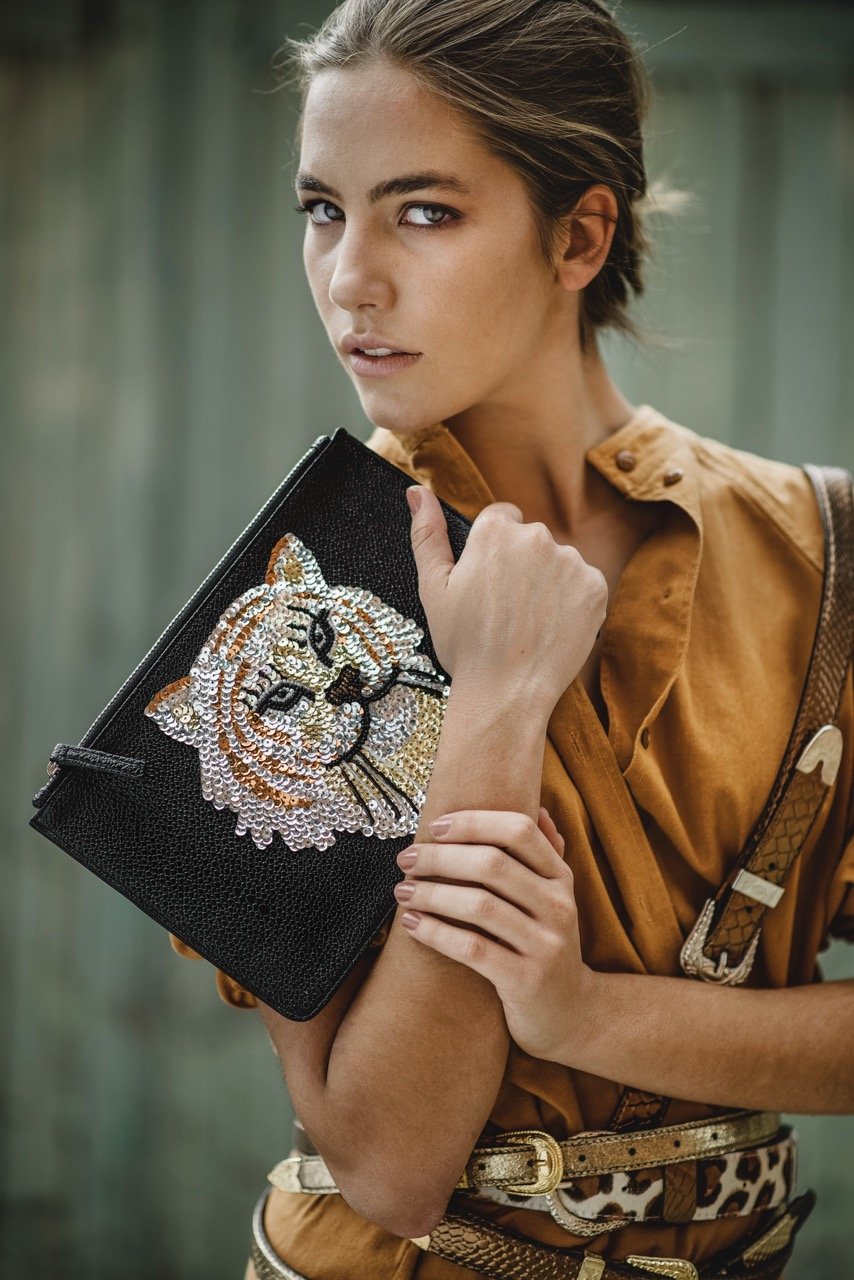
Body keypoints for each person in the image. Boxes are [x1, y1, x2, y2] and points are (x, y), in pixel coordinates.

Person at [167, 1, 854, 1276]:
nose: (348, 276)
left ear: (578, 233)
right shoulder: (273, 627)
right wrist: (490, 704)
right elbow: (385, 1158)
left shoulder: (824, 554)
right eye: (321, 208)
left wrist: (587, 1013)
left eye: (421, 210)